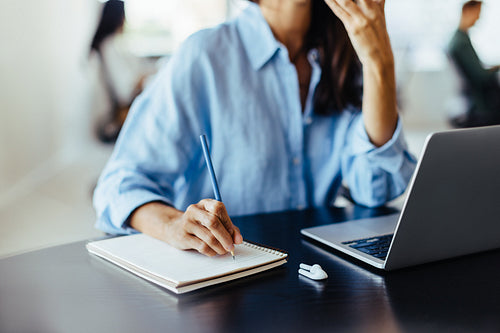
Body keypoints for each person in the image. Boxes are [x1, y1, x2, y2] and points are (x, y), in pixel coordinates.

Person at [93, 0, 417, 257]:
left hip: (317, 274)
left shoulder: (347, 56)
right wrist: (174, 224)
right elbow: (119, 185)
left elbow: (378, 189)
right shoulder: (205, 56)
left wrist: (379, 63)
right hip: (225, 275)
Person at [90, 0, 156, 142]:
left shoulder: (113, 45)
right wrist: (143, 77)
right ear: (119, 17)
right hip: (116, 118)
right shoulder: (109, 47)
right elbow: (124, 92)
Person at [447, 0, 500, 127]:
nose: (478, 18)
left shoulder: (460, 38)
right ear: (468, 12)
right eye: (477, 13)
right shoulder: (461, 43)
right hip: (480, 102)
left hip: (472, 96)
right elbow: (480, 76)